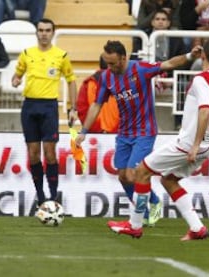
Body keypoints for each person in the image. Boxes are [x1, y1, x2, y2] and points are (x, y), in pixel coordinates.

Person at [107, 38, 209, 240]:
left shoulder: (202, 79)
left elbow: (204, 111)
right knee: (168, 180)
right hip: (207, 144)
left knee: (141, 172)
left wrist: (194, 143)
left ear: (203, 56)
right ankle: (197, 228)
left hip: (189, 144)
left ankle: (135, 225)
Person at [75, 40, 202, 227]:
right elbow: (97, 105)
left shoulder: (140, 69)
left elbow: (169, 64)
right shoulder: (107, 78)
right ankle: (151, 202)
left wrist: (191, 56)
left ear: (123, 58)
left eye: (112, 63)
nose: (109, 67)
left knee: (134, 174)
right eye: (107, 63)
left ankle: (144, 214)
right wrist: (83, 131)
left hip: (145, 131)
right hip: (124, 132)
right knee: (123, 177)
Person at [11, 18, 77, 207]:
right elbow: (17, 74)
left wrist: (73, 108)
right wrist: (15, 80)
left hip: (49, 107)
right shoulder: (26, 54)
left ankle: (54, 195)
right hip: (30, 105)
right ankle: (40, 196)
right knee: (33, 154)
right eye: (41, 30)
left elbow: (71, 80)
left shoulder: (61, 56)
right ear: (37, 33)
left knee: (50, 153)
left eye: (48, 30)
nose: (44, 33)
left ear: (53, 33)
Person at [76, 55, 119, 133]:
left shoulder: (88, 83)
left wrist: (96, 129)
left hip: (94, 135)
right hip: (119, 135)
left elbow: (82, 110)